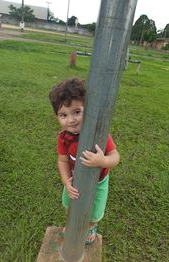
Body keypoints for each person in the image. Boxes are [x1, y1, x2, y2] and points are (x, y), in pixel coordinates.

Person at [49, 77, 120, 244]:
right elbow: (63, 161)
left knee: (95, 211)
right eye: (63, 115)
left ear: (88, 110)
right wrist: (66, 182)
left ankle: (90, 226)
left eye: (77, 112)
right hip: (74, 180)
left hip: (98, 181)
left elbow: (115, 156)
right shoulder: (64, 137)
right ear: (57, 116)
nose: (71, 120)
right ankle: (72, 223)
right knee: (69, 205)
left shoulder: (98, 135)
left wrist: (102, 160)